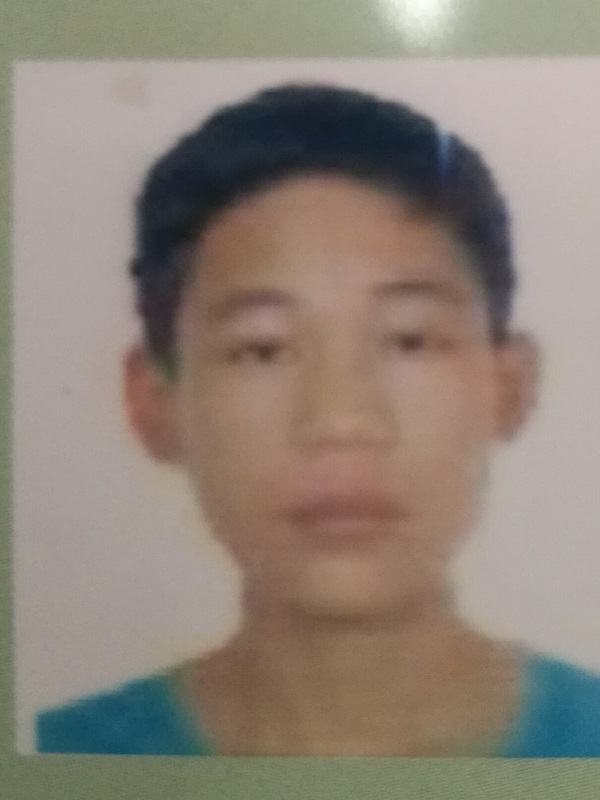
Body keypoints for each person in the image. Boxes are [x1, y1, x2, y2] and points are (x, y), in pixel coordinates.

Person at [36, 83, 600, 757]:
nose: (341, 421)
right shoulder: (58, 757)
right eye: (263, 349)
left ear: (509, 387)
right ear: (154, 403)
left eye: (409, 341)